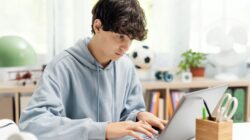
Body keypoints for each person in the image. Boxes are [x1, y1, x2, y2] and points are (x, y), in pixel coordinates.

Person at [19, 0, 167, 140]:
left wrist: (138, 116)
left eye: (131, 39)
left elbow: (127, 116)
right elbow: (33, 125)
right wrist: (103, 130)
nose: (126, 47)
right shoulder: (61, 66)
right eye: (120, 36)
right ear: (97, 27)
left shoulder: (126, 66)